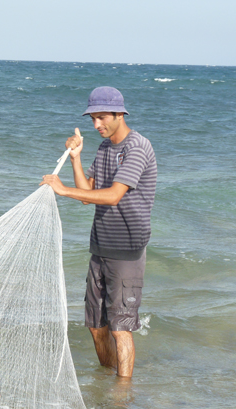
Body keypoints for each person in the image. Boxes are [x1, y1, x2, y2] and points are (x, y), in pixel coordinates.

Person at [40, 86, 157, 378]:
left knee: (121, 328)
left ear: (120, 114)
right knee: (96, 325)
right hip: (100, 247)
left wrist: (62, 190)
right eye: (93, 118)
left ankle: (122, 397)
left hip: (126, 251)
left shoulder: (138, 147)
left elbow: (114, 195)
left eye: (102, 118)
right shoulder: (105, 148)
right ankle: (107, 380)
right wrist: (76, 158)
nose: (96, 125)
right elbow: (87, 193)